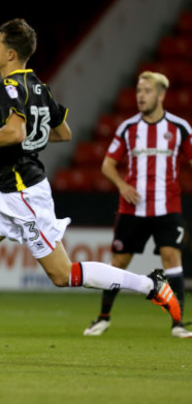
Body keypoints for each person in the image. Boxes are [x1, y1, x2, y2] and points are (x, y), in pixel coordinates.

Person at [0, 19, 183, 356]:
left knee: (62, 273)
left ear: (10, 53)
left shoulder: (8, 89)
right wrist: (29, 139)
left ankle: (150, 284)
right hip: (7, 192)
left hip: (24, 193)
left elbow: (16, 132)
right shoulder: (39, 86)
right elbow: (63, 131)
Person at [83, 71, 192, 338]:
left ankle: (178, 323)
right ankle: (103, 317)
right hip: (133, 209)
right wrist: (122, 185)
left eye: (146, 91)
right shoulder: (128, 128)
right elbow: (107, 165)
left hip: (168, 206)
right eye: (138, 91)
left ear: (161, 95)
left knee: (171, 257)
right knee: (119, 261)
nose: (140, 96)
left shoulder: (179, 128)